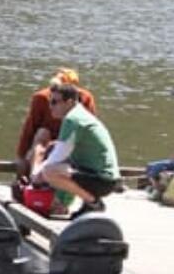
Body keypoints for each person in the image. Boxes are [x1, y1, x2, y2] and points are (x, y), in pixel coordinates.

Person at [30, 81, 121, 214]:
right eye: (50, 102)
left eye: (55, 102)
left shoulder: (72, 119)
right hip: (101, 177)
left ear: (69, 102)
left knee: (50, 171)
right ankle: (69, 203)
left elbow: (59, 156)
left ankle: (93, 203)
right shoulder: (79, 114)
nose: (50, 107)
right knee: (52, 157)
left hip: (103, 181)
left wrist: (37, 174)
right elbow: (62, 154)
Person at [15, 67, 97, 179]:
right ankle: (33, 179)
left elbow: (90, 129)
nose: (52, 104)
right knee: (42, 133)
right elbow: (30, 127)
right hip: (45, 143)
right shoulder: (41, 98)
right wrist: (21, 156)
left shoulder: (86, 98)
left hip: (71, 142)